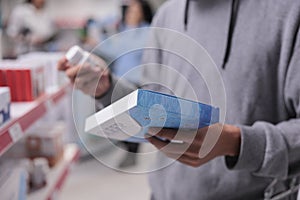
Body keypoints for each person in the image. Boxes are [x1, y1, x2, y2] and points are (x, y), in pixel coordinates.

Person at [58, 0, 300, 199]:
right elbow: (152, 104)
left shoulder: (288, 11)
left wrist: (237, 144)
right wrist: (108, 88)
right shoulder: (167, 15)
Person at [91, 0, 153, 168]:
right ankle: (128, 149)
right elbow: (109, 49)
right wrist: (98, 28)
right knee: (118, 121)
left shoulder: (147, 31)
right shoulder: (124, 31)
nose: (129, 14)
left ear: (143, 12)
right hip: (119, 81)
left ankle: (132, 153)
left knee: (132, 122)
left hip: (136, 83)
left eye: (134, 10)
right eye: (128, 11)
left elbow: (122, 49)